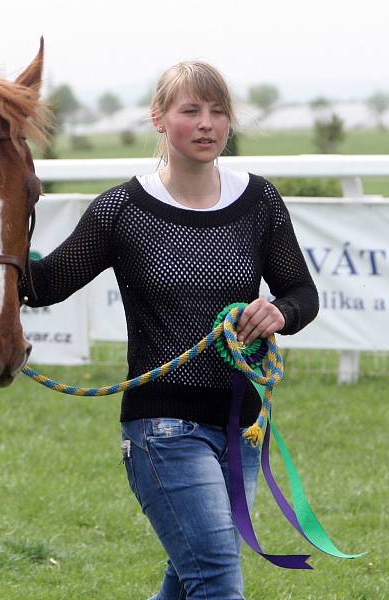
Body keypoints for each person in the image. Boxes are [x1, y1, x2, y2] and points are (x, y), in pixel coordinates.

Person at [21, 61, 318, 599]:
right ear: (159, 119)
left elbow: (302, 293)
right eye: (191, 111)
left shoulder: (260, 202)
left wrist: (281, 313)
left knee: (189, 579)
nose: (207, 124)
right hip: (162, 431)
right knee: (217, 580)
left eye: (218, 110)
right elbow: (44, 285)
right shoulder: (120, 210)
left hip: (242, 427)